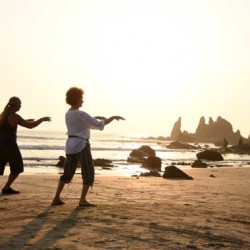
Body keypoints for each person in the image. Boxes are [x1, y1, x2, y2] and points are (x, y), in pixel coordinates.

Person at [51, 87, 125, 207]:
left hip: (70, 145)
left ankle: (56, 197)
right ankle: (82, 199)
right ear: (77, 99)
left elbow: (82, 122)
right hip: (81, 145)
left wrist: (93, 118)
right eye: (81, 98)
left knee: (67, 173)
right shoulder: (81, 114)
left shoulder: (68, 113)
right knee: (88, 172)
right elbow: (97, 124)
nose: (83, 101)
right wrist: (112, 118)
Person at [0, 96, 51, 195]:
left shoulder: (3, 115)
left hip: (1, 146)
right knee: (17, 168)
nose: (20, 106)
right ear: (14, 105)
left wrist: (25, 120)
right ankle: (6, 188)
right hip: (10, 147)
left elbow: (15, 123)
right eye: (19, 104)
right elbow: (30, 126)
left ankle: (6, 188)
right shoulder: (15, 116)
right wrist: (41, 119)